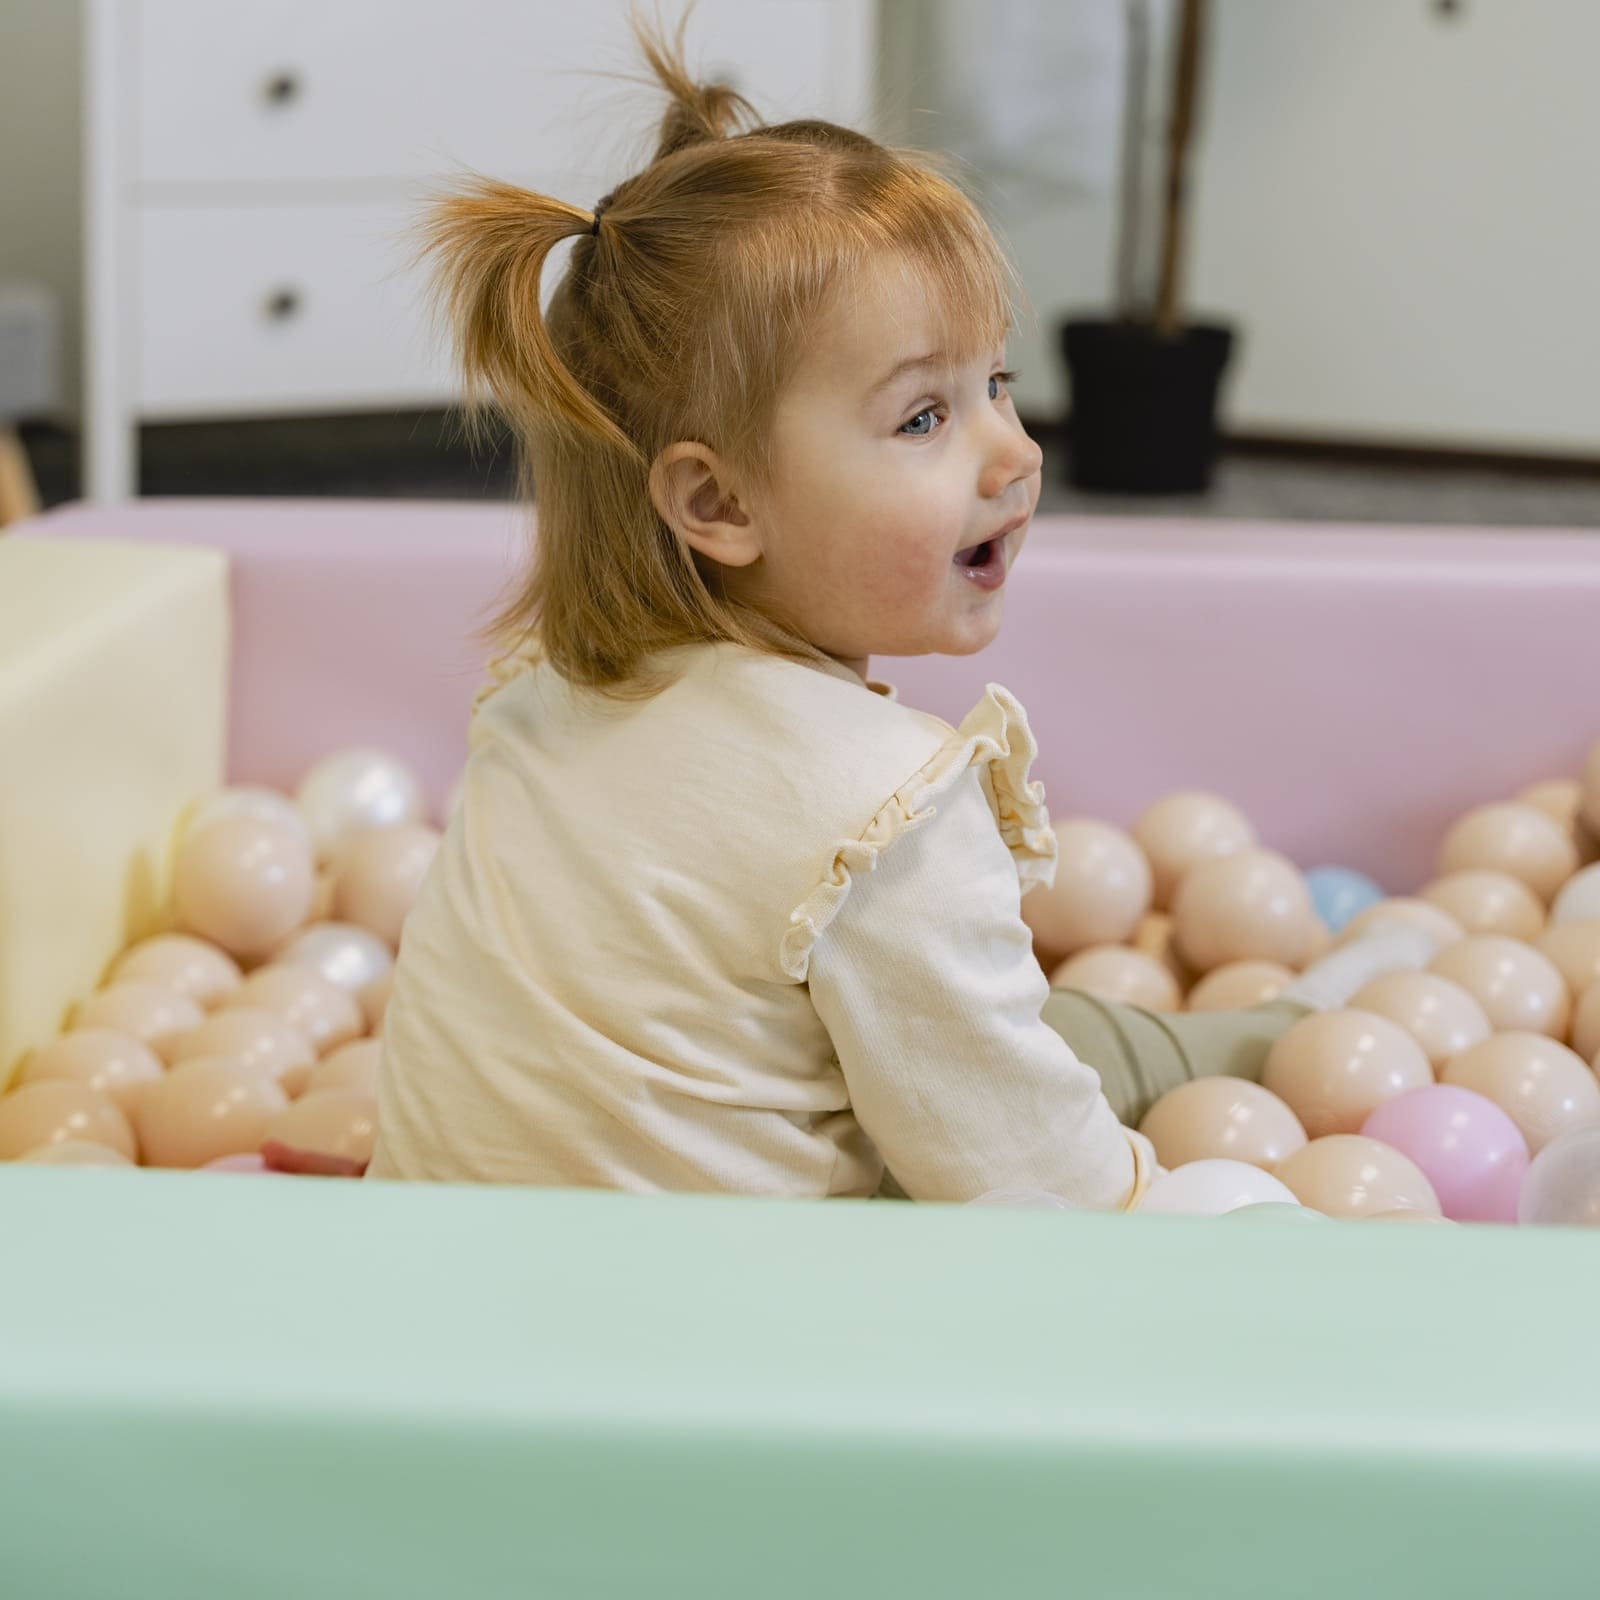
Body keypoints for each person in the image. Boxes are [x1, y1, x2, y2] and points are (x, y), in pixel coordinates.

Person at [337, 18, 1433, 1205]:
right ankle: (1316, 1017)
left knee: (1037, 1029)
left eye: (996, 384)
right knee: (1075, 1081)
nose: (1010, 451)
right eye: (923, 416)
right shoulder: (877, 811)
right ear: (717, 499)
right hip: (751, 1343)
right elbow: (1035, 1181)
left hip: (456, 1295)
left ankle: (1291, 1022)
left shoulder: (546, 699)